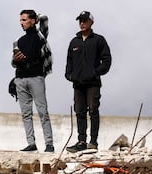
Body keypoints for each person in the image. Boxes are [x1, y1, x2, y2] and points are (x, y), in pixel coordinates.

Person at [64, 11, 112, 153]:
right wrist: (69, 75)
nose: (82, 23)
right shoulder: (74, 42)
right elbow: (69, 61)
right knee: (79, 112)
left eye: (85, 21)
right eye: (80, 21)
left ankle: (93, 142)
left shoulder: (98, 40)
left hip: (92, 83)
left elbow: (107, 60)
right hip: (78, 84)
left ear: (91, 22)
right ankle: (81, 141)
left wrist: (95, 72)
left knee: (93, 111)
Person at [11, 9, 54, 152]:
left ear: (33, 21)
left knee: (43, 111)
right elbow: (13, 62)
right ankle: (31, 143)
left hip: (36, 77)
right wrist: (15, 59)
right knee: (26, 114)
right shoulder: (18, 41)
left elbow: (45, 19)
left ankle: (49, 144)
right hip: (21, 78)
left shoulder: (40, 36)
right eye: (20, 20)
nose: (21, 23)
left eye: (24, 20)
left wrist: (37, 17)